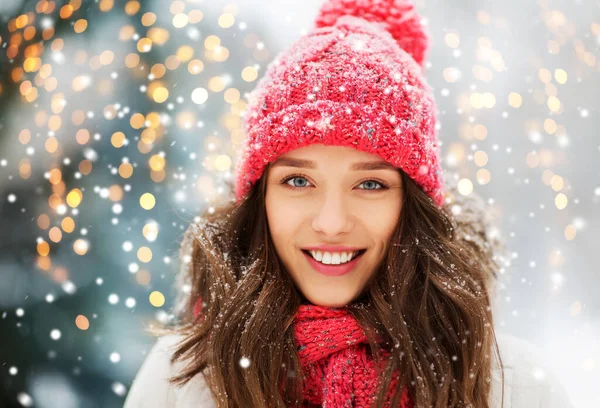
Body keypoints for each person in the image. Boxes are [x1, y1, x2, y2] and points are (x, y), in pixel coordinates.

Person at [124, 0, 574, 407]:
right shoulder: (184, 379)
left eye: (371, 185)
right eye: (298, 180)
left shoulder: (509, 385)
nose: (332, 223)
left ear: (414, 205)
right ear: (259, 199)